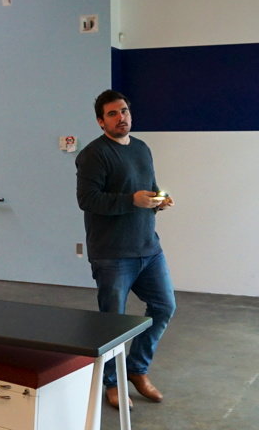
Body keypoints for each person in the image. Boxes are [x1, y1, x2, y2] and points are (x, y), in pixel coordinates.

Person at [75, 89, 176, 409]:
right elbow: (87, 199)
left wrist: (158, 200)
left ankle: (136, 369)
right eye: (113, 114)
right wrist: (132, 200)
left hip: (149, 248)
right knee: (112, 322)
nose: (121, 117)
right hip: (113, 254)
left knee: (164, 307)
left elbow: (148, 188)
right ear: (100, 121)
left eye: (124, 111)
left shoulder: (142, 148)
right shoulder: (94, 154)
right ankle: (110, 382)